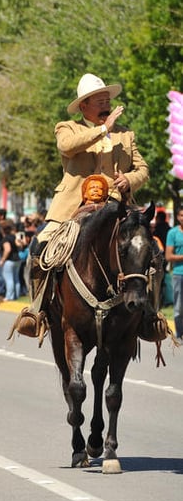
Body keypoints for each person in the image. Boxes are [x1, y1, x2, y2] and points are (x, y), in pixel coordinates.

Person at [17, 73, 150, 338]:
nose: (105, 104)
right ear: (83, 106)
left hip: (118, 206)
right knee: (41, 246)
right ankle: (38, 310)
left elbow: (143, 169)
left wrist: (130, 180)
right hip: (72, 208)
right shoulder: (66, 127)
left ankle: (150, 316)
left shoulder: (126, 135)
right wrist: (103, 130)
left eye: (107, 99)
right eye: (99, 100)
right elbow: (67, 147)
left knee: (148, 248)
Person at [165, 208, 183, 340]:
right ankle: (179, 333)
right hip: (179, 274)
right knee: (178, 306)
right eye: (182, 215)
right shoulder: (173, 233)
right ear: (178, 217)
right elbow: (168, 256)